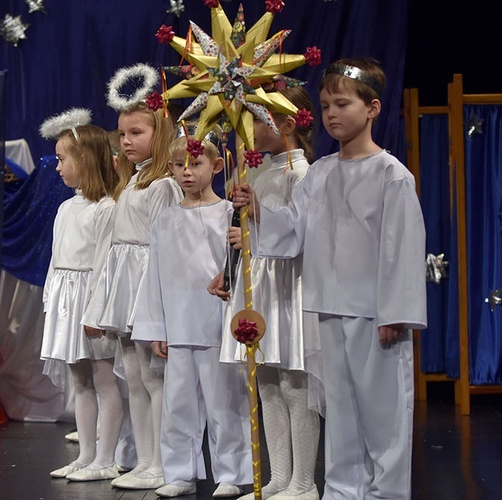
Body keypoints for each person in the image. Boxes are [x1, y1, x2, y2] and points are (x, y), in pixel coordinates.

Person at [232, 58, 427, 499]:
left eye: (343, 103)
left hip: (376, 313)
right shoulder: (319, 174)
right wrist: (260, 211)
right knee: (339, 410)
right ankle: (342, 489)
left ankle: (387, 493)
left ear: (373, 108)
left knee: (383, 412)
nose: (332, 114)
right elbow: (294, 231)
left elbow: (402, 250)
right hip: (328, 308)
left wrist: (395, 312)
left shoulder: (391, 176)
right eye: (325, 106)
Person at [210, 86, 324, 500]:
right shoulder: (257, 172)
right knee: (267, 381)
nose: (250, 128)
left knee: (295, 381)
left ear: (289, 124)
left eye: (259, 119)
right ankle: (279, 476)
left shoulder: (304, 174)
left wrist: (259, 213)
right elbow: (250, 233)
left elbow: (300, 233)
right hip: (260, 281)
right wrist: (229, 266)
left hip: (288, 283)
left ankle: (304, 482)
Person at [132, 130, 254, 498]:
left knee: (225, 401)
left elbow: (234, 267)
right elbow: (154, 277)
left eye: (196, 163)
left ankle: (232, 472)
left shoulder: (227, 214)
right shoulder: (165, 219)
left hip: (216, 324)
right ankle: (180, 471)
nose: (187, 172)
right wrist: (157, 326)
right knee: (178, 403)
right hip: (179, 323)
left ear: (216, 166)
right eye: (179, 165)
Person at [82, 94, 182, 490]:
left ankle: (162, 462)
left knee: (155, 380)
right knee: (135, 379)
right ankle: (144, 460)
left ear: (160, 135)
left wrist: (158, 306)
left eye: (136, 132)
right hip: (125, 287)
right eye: (122, 134)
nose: (125, 141)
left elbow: (166, 247)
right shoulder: (131, 182)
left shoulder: (163, 186)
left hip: (148, 286)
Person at [38, 113, 125, 482]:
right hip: (66, 303)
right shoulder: (64, 208)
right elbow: (57, 260)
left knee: (105, 381)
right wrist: (50, 301)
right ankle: (86, 454)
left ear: (86, 160)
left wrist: (95, 311)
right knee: (81, 383)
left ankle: (106, 457)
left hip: (91, 304)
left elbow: (105, 266)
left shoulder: (106, 209)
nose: (58, 167)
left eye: (63, 159)